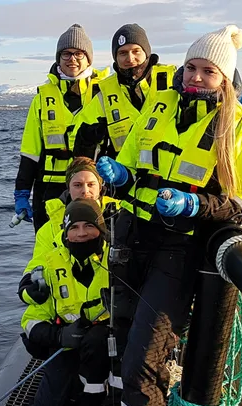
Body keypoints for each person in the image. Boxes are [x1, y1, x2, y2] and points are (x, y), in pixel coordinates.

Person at [94, 25, 242, 406]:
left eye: (208, 71)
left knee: (143, 361)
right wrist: (118, 173)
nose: (195, 76)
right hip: (132, 242)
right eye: (191, 67)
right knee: (120, 343)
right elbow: (130, 163)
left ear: (225, 79)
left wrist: (196, 205)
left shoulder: (239, 128)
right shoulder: (160, 104)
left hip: (179, 251)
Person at [19, 199, 118, 406]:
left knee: (100, 343)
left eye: (89, 226)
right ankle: (75, 394)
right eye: (74, 227)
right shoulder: (52, 264)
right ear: (65, 232)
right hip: (69, 346)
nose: (82, 233)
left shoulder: (118, 259)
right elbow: (31, 320)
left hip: (111, 347)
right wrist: (59, 335)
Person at [14, 24, 109, 231]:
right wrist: (21, 192)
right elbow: (30, 153)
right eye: (66, 54)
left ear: (88, 58)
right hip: (49, 190)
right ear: (58, 58)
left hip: (92, 187)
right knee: (50, 250)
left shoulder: (105, 93)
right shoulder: (41, 98)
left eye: (79, 53)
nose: (72, 59)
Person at [18, 157, 120, 305]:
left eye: (91, 184)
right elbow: (39, 262)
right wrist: (27, 286)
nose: (85, 191)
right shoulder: (50, 227)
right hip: (69, 303)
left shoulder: (119, 215)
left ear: (101, 186)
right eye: (78, 185)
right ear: (68, 187)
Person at [72, 24, 176, 160]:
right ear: (115, 57)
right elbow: (81, 134)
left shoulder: (173, 81)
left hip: (165, 174)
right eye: (123, 53)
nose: (130, 58)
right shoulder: (105, 92)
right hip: (122, 175)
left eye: (136, 51)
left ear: (147, 53)